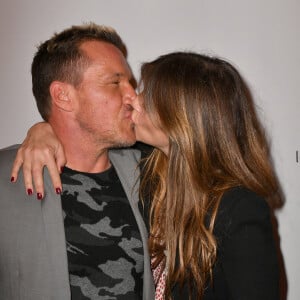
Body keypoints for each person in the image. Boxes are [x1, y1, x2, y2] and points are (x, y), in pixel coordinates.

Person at [10, 52, 282, 299]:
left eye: (148, 97)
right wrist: (42, 130)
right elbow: (84, 135)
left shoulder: (240, 210)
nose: (133, 100)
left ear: (184, 120)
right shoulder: (145, 172)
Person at [0, 23, 155, 300]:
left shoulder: (150, 173)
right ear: (63, 96)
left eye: (131, 83)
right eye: (115, 82)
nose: (134, 97)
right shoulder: (6, 178)